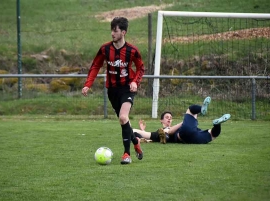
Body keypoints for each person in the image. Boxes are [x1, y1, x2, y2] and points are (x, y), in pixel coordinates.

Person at [81, 17, 145, 164]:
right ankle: (135, 141)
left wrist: (135, 81)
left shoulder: (132, 50)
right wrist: (87, 84)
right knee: (124, 122)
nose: (112, 34)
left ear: (123, 32)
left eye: (115, 31)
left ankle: (126, 155)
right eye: (111, 30)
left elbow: (141, 67)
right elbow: (95, 66)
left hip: (127, 88)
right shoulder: (105, 49)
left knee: (123, 117)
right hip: (112, 90)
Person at [133, 97, 231, 144]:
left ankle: (216, 124)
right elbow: (137, 132)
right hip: (185, 135)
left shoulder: (174, 128)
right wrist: (141, 131)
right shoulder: (161, 131)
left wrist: (142, 131)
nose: (169, 119)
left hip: (193, 137)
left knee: (213, 134)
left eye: (170, 118)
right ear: (161, 120)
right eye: (167, 117)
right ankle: (201, 109)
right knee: (191, 110)